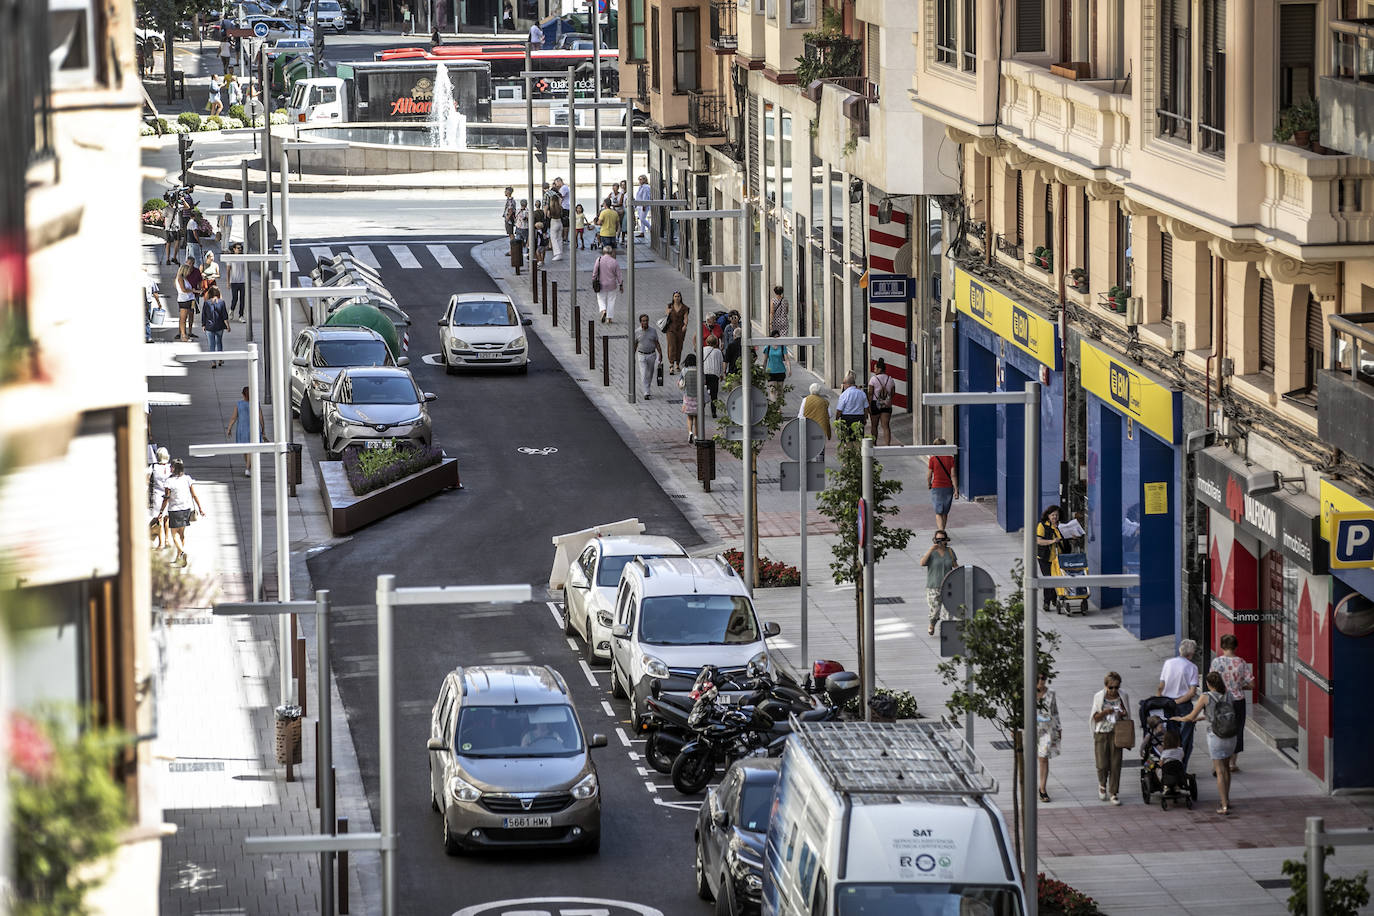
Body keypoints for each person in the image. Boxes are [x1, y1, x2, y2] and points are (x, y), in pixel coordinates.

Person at [1172, 671, 1236, 815]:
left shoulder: (1205, 697)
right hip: (1231, 736)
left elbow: (1190, 716)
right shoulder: (1229, 695)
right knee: (1226, 768)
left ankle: (1223, 805)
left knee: (1219, 771)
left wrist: (1179, 719)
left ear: (1207, 684)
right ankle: (1227, 800)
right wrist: (1202, 718)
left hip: (1216, 737)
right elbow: (1220, 715)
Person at [1209, 633, 1253, 772]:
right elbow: (1252, 684)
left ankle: (1219, 761)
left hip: (1220, 700)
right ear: (1236, 646)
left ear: (1222, 646)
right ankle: (1232, 763)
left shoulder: (1216, 662)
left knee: (1219, 728)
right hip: (1237, 700)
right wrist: (1239, 686)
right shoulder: (1241, 662)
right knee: (1237, 730)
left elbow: (1211, 682)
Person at [1158, 638, 1201, 768]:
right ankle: (1182, 766)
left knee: (1169, 738)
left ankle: (1168, 764)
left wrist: (1161, 700)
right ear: (1191, 654)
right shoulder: (1192, 667)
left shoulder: (1168, 663)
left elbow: (1161, 685)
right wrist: (1177, 702)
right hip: (1183, 706)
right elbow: (1192, 692)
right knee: (1185, 739)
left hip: (1167, 704)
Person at [1090, 672, 1130, 805]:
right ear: (1106, 686)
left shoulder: (1123, 696)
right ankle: (1102, 784)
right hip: (1101, 733)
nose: (1114, 690)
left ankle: (1113, 792)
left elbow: (1126, 714)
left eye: (1116, 687)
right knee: (1102, 764)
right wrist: (1105, 712)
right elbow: (1094, 717)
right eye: (1111, 687)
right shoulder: (1099, 697)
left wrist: (1123, 713)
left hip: (1117, 732)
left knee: (1115, 764)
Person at [157, 459, 206, 568]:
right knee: (182, 534)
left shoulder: (169, 482)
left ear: (174, 468)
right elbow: (194, 495)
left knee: (174, 535)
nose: (170, 468)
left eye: (171, 467)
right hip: (186, 509)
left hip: (174, 510)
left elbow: (166, 498)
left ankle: (182, 553)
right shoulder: (187, 479)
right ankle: (179, 557)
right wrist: (200, 508)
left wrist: (161, 511)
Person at [920, 530, 957, 636]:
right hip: (933, 586)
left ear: (946, 540)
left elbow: (955, 565)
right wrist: (931, 550)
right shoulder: (932, 552)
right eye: (937, 539)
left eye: (942, 539)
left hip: (948, 586)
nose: (939, 542)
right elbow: (922, 563)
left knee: (948, 610)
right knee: (935, 611)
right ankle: (932, 624)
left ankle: (946, 631)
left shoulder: (950, 551)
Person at [227, 385, 265, 477]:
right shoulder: (256, 403)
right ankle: (249, 468)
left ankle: (248, 468)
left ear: (243, 395)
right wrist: (263, 429)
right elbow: (261, 418)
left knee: (246, 450)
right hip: (254, 429)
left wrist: (229, 428)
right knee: (250, 450)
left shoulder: (239, 404)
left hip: (242, 429)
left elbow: (233, 418)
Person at [1035, 673, 1061, 803]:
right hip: (1030, 728)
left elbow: (1055, 711)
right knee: (1029, 758)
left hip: (1047, 729)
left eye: (1043, 678)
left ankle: (1042, 789)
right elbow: (1019, 710)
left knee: (1043, 757)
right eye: (1038, 678)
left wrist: (1059, 728)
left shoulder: (1051, 693)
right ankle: (1029, 784)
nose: (1041, 681)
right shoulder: (1027, 692)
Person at [1035, 505, 1065, 613]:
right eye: (1053, 515)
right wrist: (1052, 541)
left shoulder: (1061, 526)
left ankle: (1054, 598)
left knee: (1057, 578)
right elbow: (1039, 541)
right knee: (1048, 579)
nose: (1055, 517)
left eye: (1057, 515)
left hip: (1059, 558)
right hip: (1045, 558)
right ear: (1048, 516)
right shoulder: (1042, 526)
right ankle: (1046, 602)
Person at [927, 438, 957, 530]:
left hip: (937, 487)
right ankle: (942, 531)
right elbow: (953, 475)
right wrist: (956, 489)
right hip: (948, 487)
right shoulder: (950, 459)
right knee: (945, 512)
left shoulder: (933, 459)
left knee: (938, 512)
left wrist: (929, 484)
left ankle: (941, 532)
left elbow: (929, 475)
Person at [147, 447, 173, 550]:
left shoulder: (153, 467)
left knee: (160, 519)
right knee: (167, 518)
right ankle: (167, 540)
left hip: (158, 496)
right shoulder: (171, 467)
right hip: (169, 496)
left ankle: (161, 543)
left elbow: (147, 479)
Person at [868, 357, 895, 445]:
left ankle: (874, 444)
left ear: (880, 369)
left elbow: (870, 394)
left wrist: (868, 406)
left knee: (874, 426)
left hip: (875, 404)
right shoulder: (890, 379)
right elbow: (892, 393)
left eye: (875, 368)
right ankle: (887, 445)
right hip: (886, 404)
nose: (874, 370)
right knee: (886, 426)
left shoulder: (873, 379)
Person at [592, 246, 622, 323]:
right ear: (611, 253)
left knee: (601, 298)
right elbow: (618, 274)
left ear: (603, 252)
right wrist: (620, 284)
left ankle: (603, 310)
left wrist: (593, 279)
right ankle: (609, 318)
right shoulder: (614, 261)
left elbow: (595, 272)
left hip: (601, 284)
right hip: (612, 285)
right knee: (611, 300)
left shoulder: (599, 260)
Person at [635, 314, 662, 399]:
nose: (645, 322)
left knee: (650, 374)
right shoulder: (637, 332)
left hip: (651, 354)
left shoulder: (653, 331)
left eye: (646, 320)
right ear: (640, 322)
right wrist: (632, 356)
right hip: (641, 355)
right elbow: (635, 344)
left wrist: (660, 354)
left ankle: (647, 388)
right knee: (643, 374)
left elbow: (657, 343)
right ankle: (646, 392)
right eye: (643, 321)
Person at [834, 371, 868, 440]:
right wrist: (865, 418)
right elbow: (866, 408)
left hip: (847, 418)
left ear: (848, 384)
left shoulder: (844, 395)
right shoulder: (862, 393)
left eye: (844, 383)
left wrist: (837, 419)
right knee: (858, 438)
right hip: (859, 418)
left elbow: (839, 410)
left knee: (847, 438)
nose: (843, 385)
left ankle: (848, 450)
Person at [201, 285, 229, 364]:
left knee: (211, 344)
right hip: (219, 326)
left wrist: (203, 325)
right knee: (219, 342)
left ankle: (213, 362)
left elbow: (204, 315)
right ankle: (220, 359)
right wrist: (228, 326)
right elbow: (225, 316)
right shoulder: (222, 302)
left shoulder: (206, 303)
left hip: (209, 326)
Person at [663, 291, 689, 373]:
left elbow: (685, 317)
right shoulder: (670, 306)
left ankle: (677, 363)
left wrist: (685, 325)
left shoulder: (685, 308)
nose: (677, 298)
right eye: (675, 296)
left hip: (680, 329)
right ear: (673, 298)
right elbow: (666, 315)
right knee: (671, 346)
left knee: (679, 346)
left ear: (680, 298)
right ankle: (671, 365)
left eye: (678, 296)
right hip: (670, 329)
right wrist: (668, 312)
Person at [679, 353, 700, 443]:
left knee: (689, 416)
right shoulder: (699, 370)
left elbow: (680, 381)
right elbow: (703, 381)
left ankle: (690, 432)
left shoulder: (684, 370)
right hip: (697, 397)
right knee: (696, 417)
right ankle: (696, 435)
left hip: (688, 396)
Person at [762, 331, 789, 399]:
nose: (776, 338)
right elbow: (765, 360)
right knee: (772, 390)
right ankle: (774, 407)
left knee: (779, 391)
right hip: (770, 371)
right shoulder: (767, 347)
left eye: (778, 337)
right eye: (775, 337)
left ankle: (778, 408)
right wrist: (763, 370)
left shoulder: (782, 347)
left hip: (780, 371)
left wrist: (789, 369)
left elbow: (787, 359)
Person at [174, 260, 197, 342]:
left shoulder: (184, 278)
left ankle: (186, 333)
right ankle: (183, 335)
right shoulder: (180, 278)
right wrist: (193, 291)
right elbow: (183, 290)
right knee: (183, 318)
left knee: (189, 316)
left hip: (190, 299)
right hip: (184, 300)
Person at [702, 335, 723, 417]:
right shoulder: (718, 352)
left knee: (703, 392)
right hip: (714, 374)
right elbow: (721, 363)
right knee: (714, 395)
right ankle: (713, 412)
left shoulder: (702, 350)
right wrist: (721, 374)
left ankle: (702, 410)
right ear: (716, 343)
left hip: (704, 373)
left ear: (706, 342)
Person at [227, 242, 246, 320]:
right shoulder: (231, 258)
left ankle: (241, 315)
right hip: (234, 281)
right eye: (238, 248)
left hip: (242, 281)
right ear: (234, 249)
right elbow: (228, 270)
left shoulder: (243, 258)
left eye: (241, 248)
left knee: (242, 299)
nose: (240, 249)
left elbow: (246, 269)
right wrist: (228, 282)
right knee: (235, 298)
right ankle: (231, 310)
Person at [502, 186, 517, 253]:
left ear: (508, 192)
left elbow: (510, 209)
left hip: (509, 220)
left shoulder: (510, 200)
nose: (504, 192)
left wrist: (507, 218)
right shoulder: (510, 200)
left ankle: (512, 250)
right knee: (511, 234)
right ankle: (512, 249)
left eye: (506, 191)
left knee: (511, 234)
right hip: (509, 219)